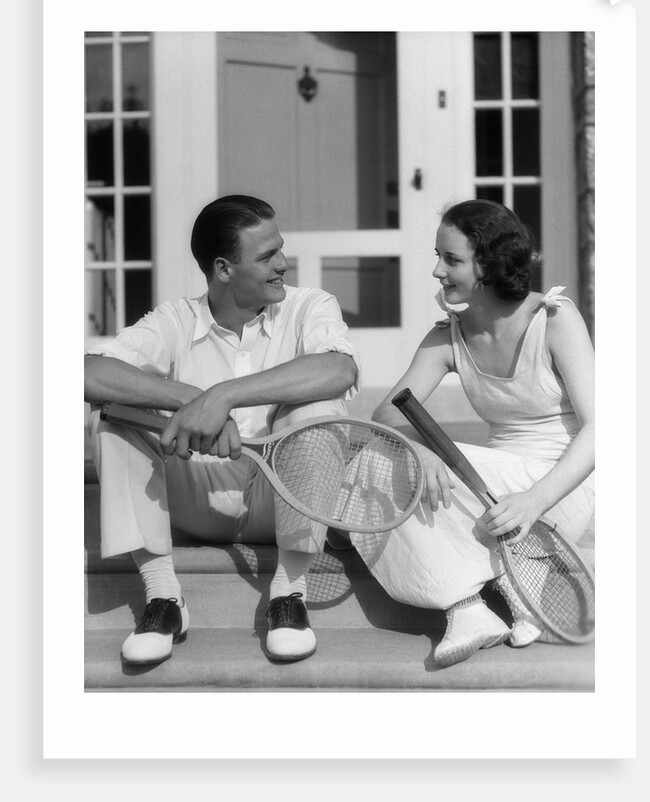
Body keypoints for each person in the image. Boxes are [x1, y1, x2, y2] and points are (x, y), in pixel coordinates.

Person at [85, 195, 359, 666]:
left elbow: (339, 370)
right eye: (267, 255)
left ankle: (288, 595)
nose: (283, 263)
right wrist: (188, 400)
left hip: (279, 497)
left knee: (318, 409)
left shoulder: (310, 306)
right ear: (223, 269)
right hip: (196, 497)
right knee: (111, 415)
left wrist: (223, 397)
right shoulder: (175, 319)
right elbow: (88, 373)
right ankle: (163, 599)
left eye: (280, 250)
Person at [352, 199, 595, 668]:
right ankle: (467, 609)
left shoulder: (554, 318)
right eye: (438, 256)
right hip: (494, 494)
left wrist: (535, 500)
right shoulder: (448, 336)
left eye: (451, 259)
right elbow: (386, 412)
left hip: (561, 491)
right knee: (374, 459)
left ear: (489, 264)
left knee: (379, 460)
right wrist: (421, 450)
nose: (437, 270)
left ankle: (505, 579)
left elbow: (601, 430)